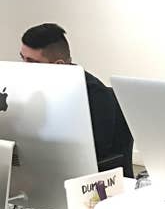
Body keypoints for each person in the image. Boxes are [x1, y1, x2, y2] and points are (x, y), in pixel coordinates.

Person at [19, 23, 134, 177]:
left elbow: (93, 154)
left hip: (82, 180)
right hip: (38, 170)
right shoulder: (27, 88)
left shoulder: (95, 95)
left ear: (59, 65)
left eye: (32, 62)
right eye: (23, 59)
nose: (24, 68)